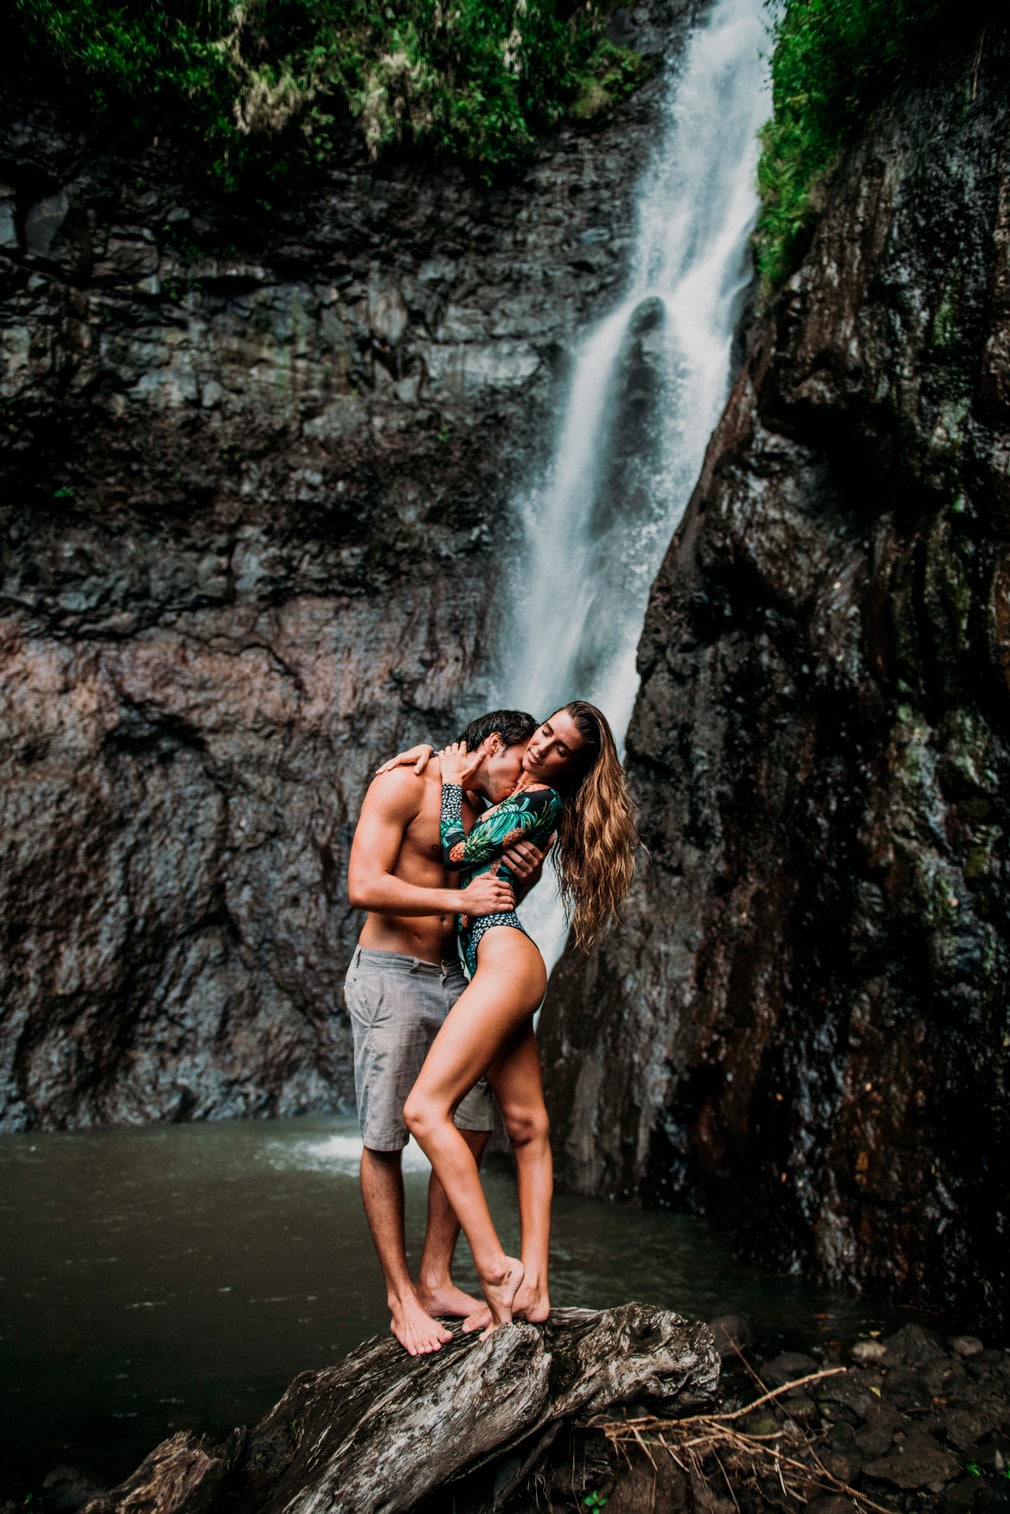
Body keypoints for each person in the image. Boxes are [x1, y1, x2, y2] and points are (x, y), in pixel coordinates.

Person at [396, 702, 637, 1336]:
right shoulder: (521, 795)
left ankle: (495, 1268)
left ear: (573, 765)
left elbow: (455, 849)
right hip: (504, 960)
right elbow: (479, 770)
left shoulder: (540, 804)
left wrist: (448, 784)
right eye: (546, 733)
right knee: (528, 1127)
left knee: (424, 1110)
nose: (542, 748)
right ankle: (537, 1289)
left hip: (502, 955)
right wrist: (430, 758)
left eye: (559, 748)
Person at [345, 709, 548, 1355]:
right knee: (385, 1137)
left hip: (458, 977)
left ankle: (436, 1278)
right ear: (493, 745)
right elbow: (363, 884)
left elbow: (494, 894)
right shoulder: (405, 782)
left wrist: (528, 870)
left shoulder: (488, 810)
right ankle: (401, 1298)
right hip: (392, 975)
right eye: (522, 761)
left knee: (475, 1123)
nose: (527, 777)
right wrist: (460, 900)